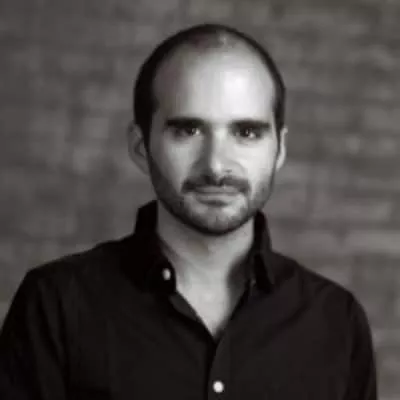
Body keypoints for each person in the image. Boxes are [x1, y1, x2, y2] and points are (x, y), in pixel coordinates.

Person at [0, 23, 377, 400]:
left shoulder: (336, 322)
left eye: (246, 133)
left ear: (279, 149)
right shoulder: (55, 305)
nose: (216, 165)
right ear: (140, 146)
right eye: (188, 130)